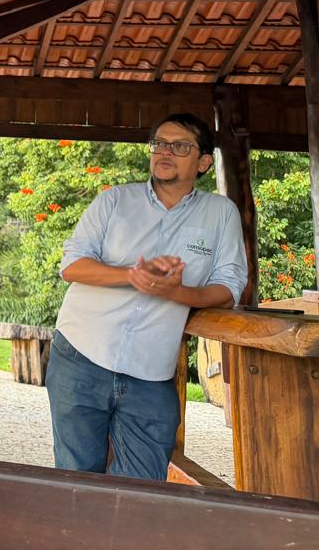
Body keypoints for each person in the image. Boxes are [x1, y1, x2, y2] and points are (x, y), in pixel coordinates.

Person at [46, 113, 248, 481]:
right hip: (81, 355)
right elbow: (72, 266)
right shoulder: (114, 200)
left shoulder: (220, 213)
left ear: (203, 162)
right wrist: (132, 276)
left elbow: (229, 287)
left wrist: (178, 292)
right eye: (159, 144)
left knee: (142, 486)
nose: (165, 152)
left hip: (151, 371)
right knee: (75, 480)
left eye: (180, 146)